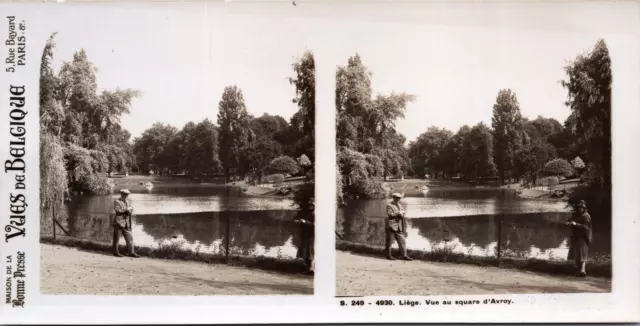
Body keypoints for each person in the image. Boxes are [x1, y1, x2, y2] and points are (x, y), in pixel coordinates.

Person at [565, 200, 592, 277]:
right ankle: (578, 270)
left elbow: (587, 227)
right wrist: (567, 223)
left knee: (582, 253)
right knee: (576, 253)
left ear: (584, 208)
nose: (579, 209)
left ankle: (583, 271)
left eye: (581, 207)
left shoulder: (586, 216)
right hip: (575, 236)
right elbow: (569, 220)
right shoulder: (575, 214)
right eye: (578, 207)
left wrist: (576, 224)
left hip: (583, 236)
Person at [385, 192, 413, 261]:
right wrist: (398, 213)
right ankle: (388, 255)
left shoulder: (400, 205)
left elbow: (403, 214)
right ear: (393, 198)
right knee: (389, 242)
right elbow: (390, 214)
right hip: (391, 225)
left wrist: (402, 214)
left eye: (399, 198)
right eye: (397, 198)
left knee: (402, 241)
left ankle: (404, 255)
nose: (398, 199)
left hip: (398, 226)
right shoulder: (389, 205)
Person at [113, 189, 140, 258]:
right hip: (118, 222)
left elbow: (130, 210)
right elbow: (118, 211)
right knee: (116, 239)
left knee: (130, 238)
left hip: (126, 223)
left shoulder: (128, 201)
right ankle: (115, 252)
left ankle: (131, 252)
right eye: (124, 194)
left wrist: (130, 210)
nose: (125, 196)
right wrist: (126, 209)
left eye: (127, 194)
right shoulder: (117, 201)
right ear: (121, 194)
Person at [294, 198, 315, 275]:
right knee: (304, 251)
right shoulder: (303, 212)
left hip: (312, 235)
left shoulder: (316, 213)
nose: (310, 206)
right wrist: (296, 220)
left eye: (312, 205)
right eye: (309, 205)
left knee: (310, 252)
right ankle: (307, 268)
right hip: (304, 234)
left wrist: (305, 222)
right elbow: (296, 217)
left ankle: (310, 269)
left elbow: (316, 224)